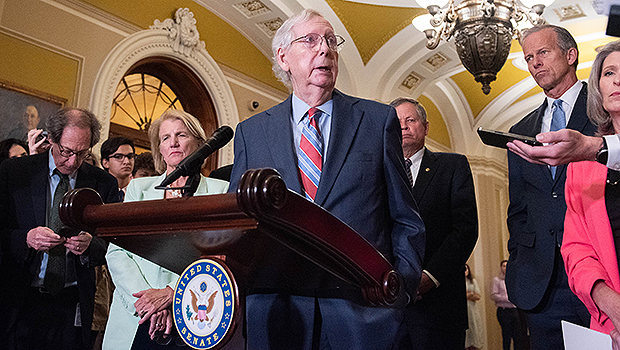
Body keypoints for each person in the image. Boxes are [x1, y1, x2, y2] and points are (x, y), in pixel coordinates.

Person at [228, 9, 425, 350]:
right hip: (277, 314)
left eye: (332, 41)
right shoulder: (251, 132)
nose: (326, 50)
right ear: (283, 57)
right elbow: (237, 225)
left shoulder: (377, 121)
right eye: (311, 40)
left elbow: (406, 219)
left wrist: (398, 288)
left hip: (363, 313)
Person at [103, 110, 229, 350]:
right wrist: (148, 302)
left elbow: (219, 257)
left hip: (192, 313)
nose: (173, 142)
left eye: (181, 134)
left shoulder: (220, 191)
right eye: (165, 138)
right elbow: (117, 252)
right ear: (159, 149)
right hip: (136, 311)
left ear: (199, 143)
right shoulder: (138, 189)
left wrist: (173, 294)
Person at [0, 107, 122, 350]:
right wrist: (26, 238)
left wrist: (90, 246)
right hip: (20, 300)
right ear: (52, 139)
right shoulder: (15, 172)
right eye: (66, 151)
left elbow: (114, 245)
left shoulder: (103, 183)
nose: (72, 161)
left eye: (82, 153)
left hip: (72, 303)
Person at [506, 24, 593, 349]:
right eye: (529, 58)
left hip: (598, 271)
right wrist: (518, 260)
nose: (534, 63)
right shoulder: (521, 130)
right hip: (540, 281)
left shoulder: (603, 113)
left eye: (543, 52)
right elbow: (518, 209)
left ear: (570, 55)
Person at [390, 97, 478, 350]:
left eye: (411, 120)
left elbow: (465, 229)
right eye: (398, 122)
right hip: (390, 307)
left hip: (440, 307)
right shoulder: (380, 170)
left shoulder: (453, 166)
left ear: (425, 127)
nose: (404, 127)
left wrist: (430, 277)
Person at [561, 40, 620, 349]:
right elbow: (576, 249)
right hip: (607, 322)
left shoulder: (591, 150)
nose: (618, 80)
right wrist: (607, 301)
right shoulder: (581, 168)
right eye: (609, 72)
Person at [492, 260, 523, 350]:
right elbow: (493, 295)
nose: (506, 268)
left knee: (518, 336)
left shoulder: (513, 279)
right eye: (504, 266)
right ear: (501, 268)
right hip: (504, 310)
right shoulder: (497, 280)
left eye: (507, 265)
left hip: (514, 310)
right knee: (507, 335)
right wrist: (507, 298)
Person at [465, 264, 484, 350]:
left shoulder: (472, 281)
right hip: (464, 310)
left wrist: (468, 295)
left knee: (474, 331)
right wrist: (470, 294)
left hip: (472, 310)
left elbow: (477, 296)